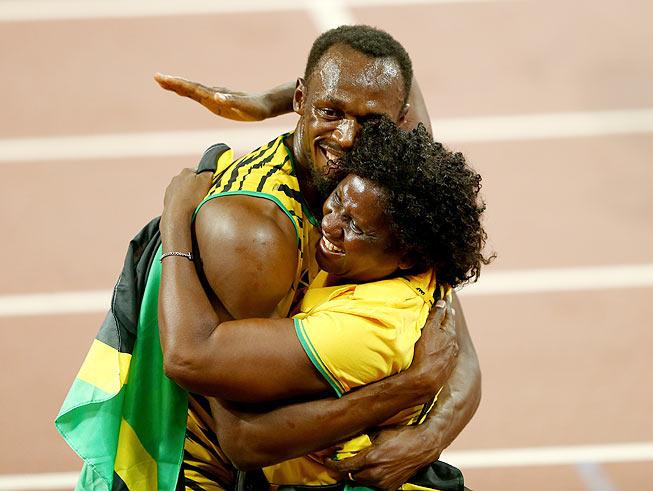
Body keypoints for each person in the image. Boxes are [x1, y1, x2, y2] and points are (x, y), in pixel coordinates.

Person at [56, 25, 480, 491]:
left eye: (371, 121)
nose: (347, 136)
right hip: (204, 475)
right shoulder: (256, 237)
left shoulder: (391, 184)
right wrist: (410, 386)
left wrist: (430, 436)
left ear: (398, 121)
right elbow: (241, 436)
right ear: (305, 100)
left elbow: (453, 340)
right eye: (329, 111)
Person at [158, 115, 490, 490]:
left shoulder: (367, 329)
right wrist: (282, 98)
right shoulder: (388, 253)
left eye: (354, 226)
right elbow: (395, 86)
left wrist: (175, 222)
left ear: (406, 256)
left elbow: (239, 435)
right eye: (335, 203)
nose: (330, 226)